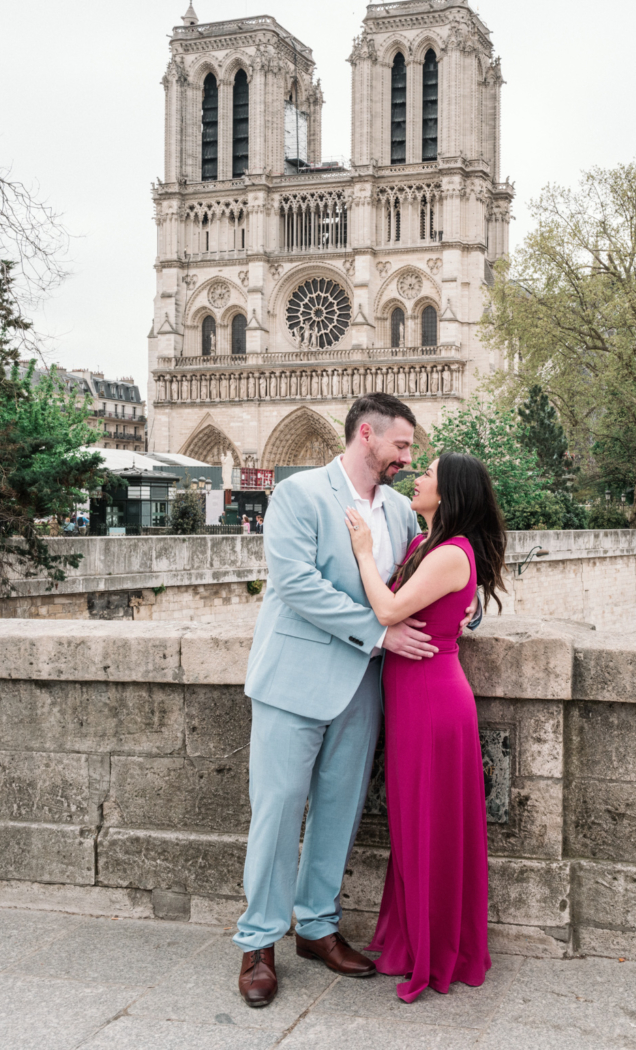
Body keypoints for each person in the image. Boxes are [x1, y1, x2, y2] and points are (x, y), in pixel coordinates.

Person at [234, 393, 473, 1009]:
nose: (407, 457)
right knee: (278, 809)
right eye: (401, 446)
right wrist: (377, 632)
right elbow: (295, 584)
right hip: (294, 680)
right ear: (366, 435)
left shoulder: (399, 512)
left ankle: (316, 927)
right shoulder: (299, 494)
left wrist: (460, 609)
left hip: (362, 690)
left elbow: (417, 580)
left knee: (338, 811)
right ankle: (259, 942)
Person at [345, 452, 506, 1002]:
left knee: (429, 824)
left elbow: (389, 611)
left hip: (434, 702)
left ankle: (434, 950)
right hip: (411, 696)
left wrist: (364, 552)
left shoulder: (450, 554)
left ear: (451, 491)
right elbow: (447, 602)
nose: (418, 478)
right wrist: (474, 611)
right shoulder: (423, 544)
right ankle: (416, 938)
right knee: (413, 822)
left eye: (429, 474)